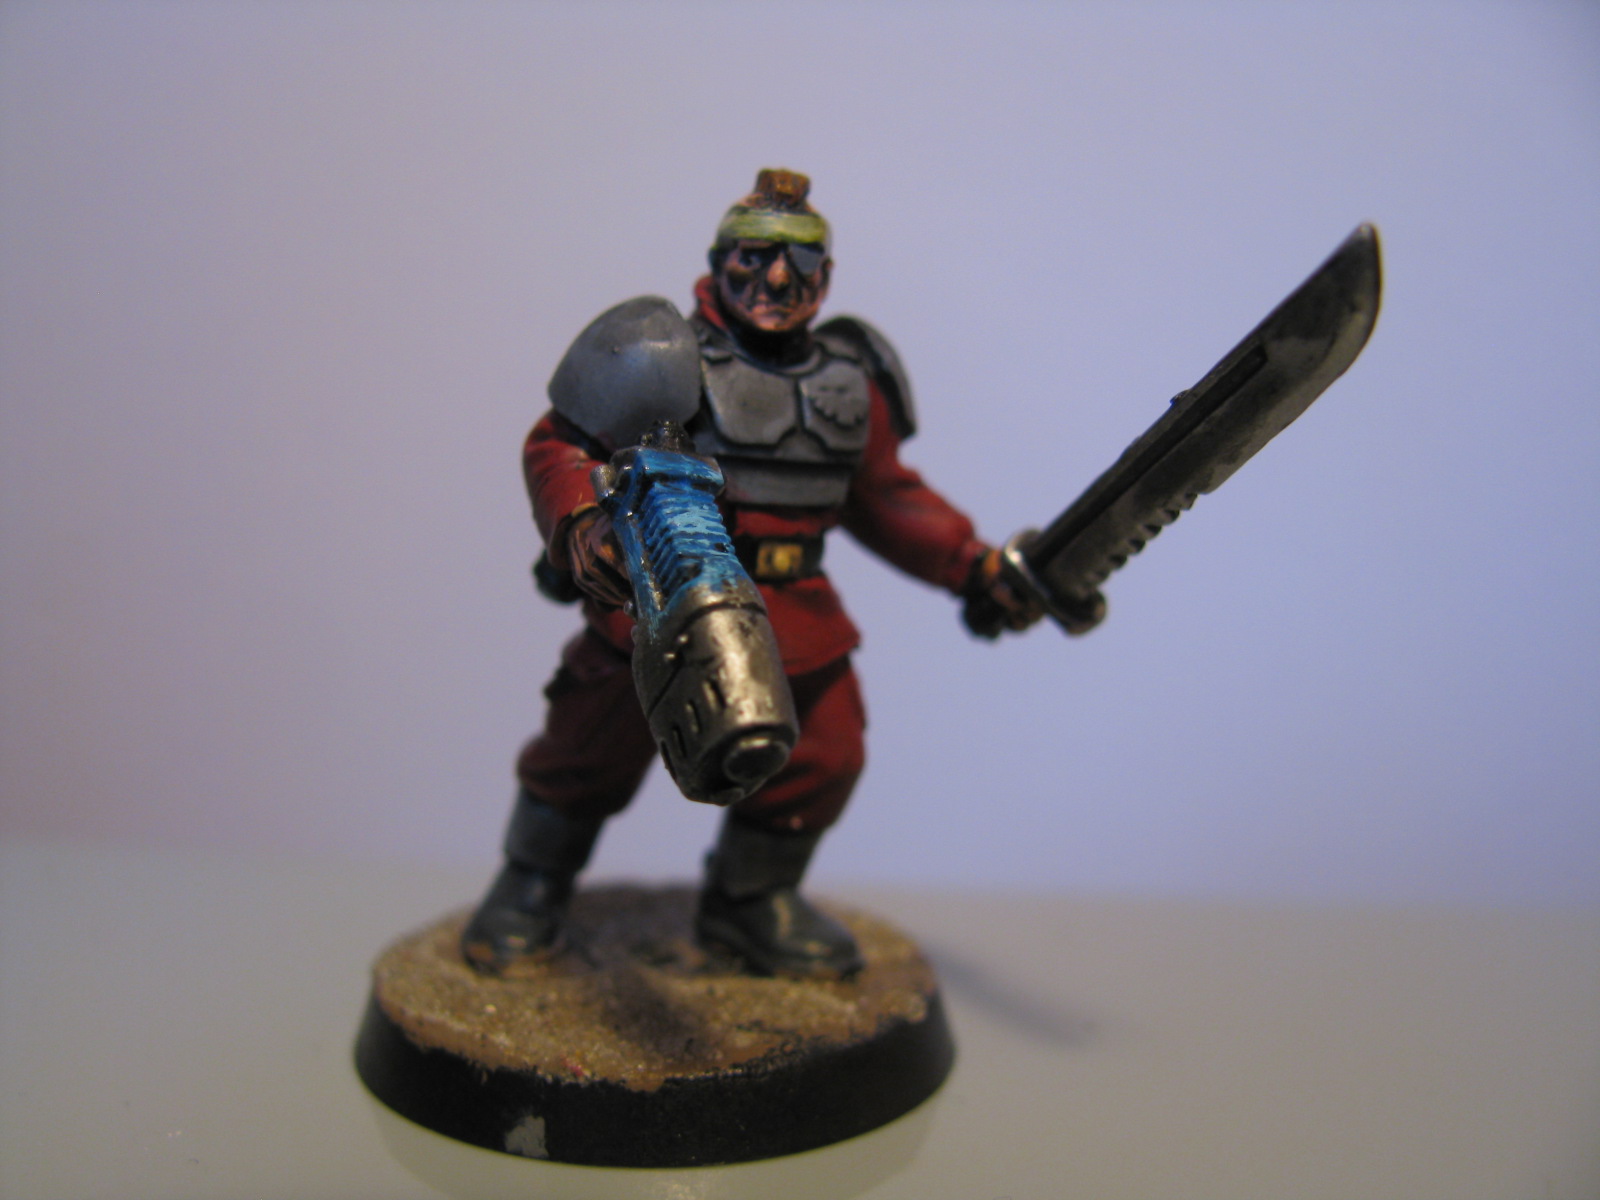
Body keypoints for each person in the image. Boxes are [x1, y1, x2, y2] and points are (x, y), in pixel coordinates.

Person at [462, 169, 1050, 979]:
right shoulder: (660, 353)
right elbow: (561, 444)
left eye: (799, 263)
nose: (777, 280)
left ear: (827, 277)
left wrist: (971, 565)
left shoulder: (851, 379)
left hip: (797, 611)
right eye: (754, 257)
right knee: (587, 748)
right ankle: (530, 883)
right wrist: (585, 524)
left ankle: (751, 901)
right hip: (664, 595)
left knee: (825, 752)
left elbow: (885, 497)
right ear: (719, 261)